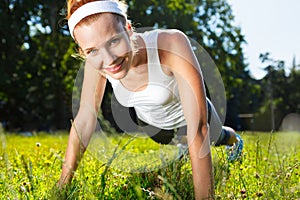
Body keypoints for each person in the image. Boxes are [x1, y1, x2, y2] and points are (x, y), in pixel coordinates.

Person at [59, 0, 243, 199]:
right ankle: (182, 147)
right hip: (155, 127)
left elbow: (198, 129)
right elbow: (85, 119)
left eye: (114, 41)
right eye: (92, 51)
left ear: (128, 29)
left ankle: (232, 139)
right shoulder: (96, 64)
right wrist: (62, 186)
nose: (109, 59)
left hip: (195, 119)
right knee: (178, 144)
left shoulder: (171, 43)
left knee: (213, 137)